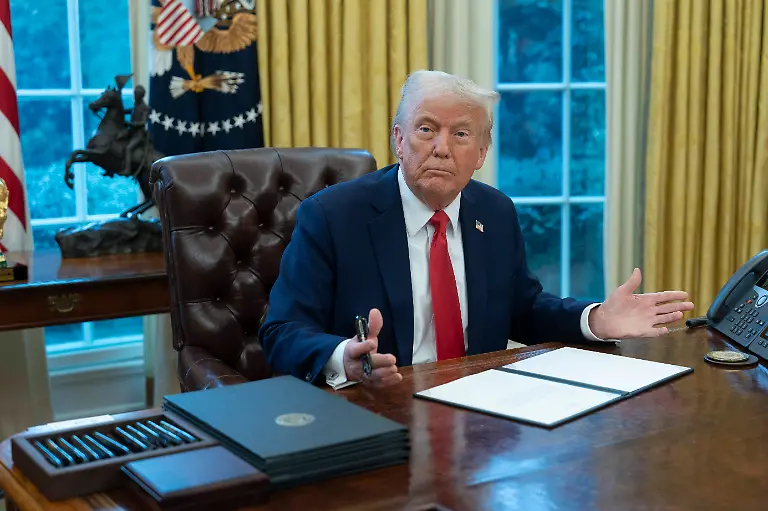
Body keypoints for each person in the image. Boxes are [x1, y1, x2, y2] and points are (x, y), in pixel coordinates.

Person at [259, 70, 694, 389]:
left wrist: (594, 319)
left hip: (479, 408)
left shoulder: (496, 211)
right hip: (375, 409)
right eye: (426, 129)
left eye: (461, 134)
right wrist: (344, 359)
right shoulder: (332, 216)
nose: (441, 148)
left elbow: (522, 309)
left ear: (482, 152)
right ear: (398, 139)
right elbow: (281, 331)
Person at [123, 85, 151, 176]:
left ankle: (127, 169)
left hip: (138, 134)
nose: (134, 96)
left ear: (140, 95)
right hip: (131, 131)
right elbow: (129, 111)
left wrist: (131, 124)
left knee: (128, 148)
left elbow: (143, 122)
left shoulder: (145, 108)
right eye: (134, 94)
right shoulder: (135, 105)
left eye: (136, 94)